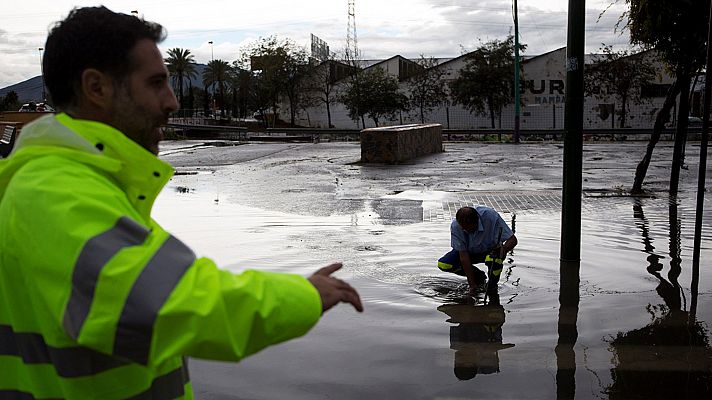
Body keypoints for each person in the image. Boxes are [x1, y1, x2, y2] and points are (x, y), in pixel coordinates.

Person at [0, 7, 362, 399]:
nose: (172, 102)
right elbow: (167, 302)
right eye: (156, 83)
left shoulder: (84, 182)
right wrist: (303, 296)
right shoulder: (55, 192)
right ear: (97, 88)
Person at [437, 206, 517, 296]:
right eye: (463, 228)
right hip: (469, 253)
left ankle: (492, 287)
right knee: (444, 264)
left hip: (491, 251)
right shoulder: (456, 226)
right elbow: (464, 257)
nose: (465, 231)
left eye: (469, 229)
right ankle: (479, 277)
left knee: (495, 260)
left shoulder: (490, 217)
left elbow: (513, 240)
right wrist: (472, 285)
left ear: (477, 222)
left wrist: (504, 249)